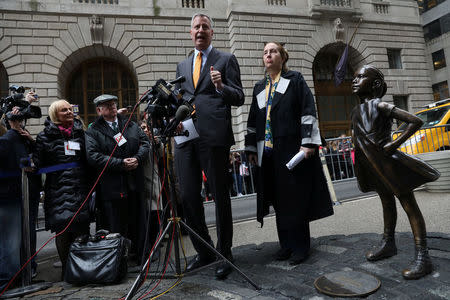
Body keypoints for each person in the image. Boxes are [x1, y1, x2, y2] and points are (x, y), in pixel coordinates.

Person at [245, 42, 333, 265]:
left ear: (283, 57)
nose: (268, 55)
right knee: (277, 199)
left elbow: (308, 109)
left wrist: (308, 143)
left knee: (295, 198)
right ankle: (285, 245)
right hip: (268, 153)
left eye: (273, 51)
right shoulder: (259, 87)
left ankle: (301, 247)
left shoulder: (295, 80)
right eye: (265, 52)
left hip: (292, 149)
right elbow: (253, 120)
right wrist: (251, 149)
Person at [351, 65, 440, 279]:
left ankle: (423, 256)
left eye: (360, 77)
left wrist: (394, 144)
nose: (354, 80)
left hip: (389, 164)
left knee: (408, 204)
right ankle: (388, 243)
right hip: (372, 165)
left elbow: (415, 121)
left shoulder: (381, 105)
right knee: (386, 202)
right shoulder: (356, 111)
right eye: (354, 77)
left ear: (375, 84)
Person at [174, 13, 245, 279]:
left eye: (205, 26)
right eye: (196, 27)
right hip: (185, 139)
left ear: (212, 33)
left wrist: (221, 86)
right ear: (190, 33)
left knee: (220, 196)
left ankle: (225, 252)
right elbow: (179, 99)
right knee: (188, 197)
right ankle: (204, 251)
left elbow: (239, 96)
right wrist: (176, 119)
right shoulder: (182, 65)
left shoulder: (225, 60)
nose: (200, 30)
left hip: (214, 138)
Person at [85, 94, 150, 264]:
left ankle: (142, 254)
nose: (112, 107)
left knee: (138, 220)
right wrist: (119, 163)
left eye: (113, 104)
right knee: (114, 223)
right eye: (107, 106)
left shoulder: (129, 124)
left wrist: (137, 158)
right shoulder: (93, 130)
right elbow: (93, 156)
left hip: (134, 182)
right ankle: (117, 259)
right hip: (111, 186)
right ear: (99, 110)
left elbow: (145, 143)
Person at [33, 100, 90, 280]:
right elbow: (38, 162)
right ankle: (67, 270)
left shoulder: (80, 132)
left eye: (69, 109)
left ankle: (83, 270)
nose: (68, 112)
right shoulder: (44, 136)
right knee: (63, 231)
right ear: (55, 115)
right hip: (57, 189)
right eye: (63, 110)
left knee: (82, 228)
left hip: (80, 187)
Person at [0, 102, 41, 289]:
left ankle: (26, 269)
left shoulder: (23, 138)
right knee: (12, 239)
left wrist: (32, 141)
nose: (20, 122)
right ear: (8, 120)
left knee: (25, 235)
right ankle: (9, 279)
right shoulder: (8, 140)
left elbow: (37, 158)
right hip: (11, 196)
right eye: (16, 118)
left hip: (27, 193)